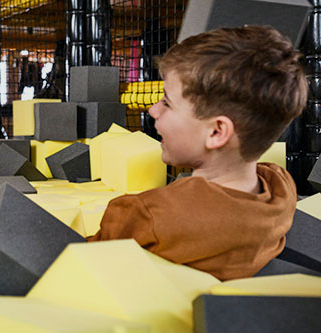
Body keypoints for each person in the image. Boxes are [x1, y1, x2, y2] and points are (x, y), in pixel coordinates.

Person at [88, 25, 308, 280]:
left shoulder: (146, 215)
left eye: (167, 102)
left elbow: (81, 270)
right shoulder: (281, 189)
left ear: (216, 132)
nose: (153, 110)